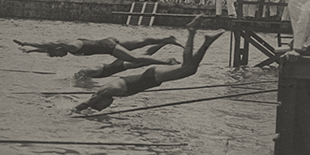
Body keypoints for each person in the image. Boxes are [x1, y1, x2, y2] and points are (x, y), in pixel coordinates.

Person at [74, 15, 225, 112]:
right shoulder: (106, 92)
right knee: (190, 69)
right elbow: (91, 104)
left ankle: (192, 31)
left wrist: (72, 113)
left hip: (151, 77)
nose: (105, 108)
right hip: (150, 77)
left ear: (99, 100)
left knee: (187, 68)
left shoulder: (104, 92)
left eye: (102, 108)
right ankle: (207, 41)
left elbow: (86, 103)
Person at [13, 35, 184, 66]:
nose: (59, 57)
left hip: (109, 48)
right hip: (108, 41)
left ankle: (168, 61)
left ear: (59, 49)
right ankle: (168, 39)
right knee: (141, 43)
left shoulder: (70, 45)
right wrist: (30, 52)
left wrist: (27, 43)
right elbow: (48, 50)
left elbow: (46, 44)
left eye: (57, 55)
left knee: (135, 59)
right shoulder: (64, 47)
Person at [76, 42, 179, 79]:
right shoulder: (88, 73)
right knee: (147, 55)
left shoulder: (89, 71)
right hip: (118, 64)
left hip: (121, 66)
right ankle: (164, 42)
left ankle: (168, 61)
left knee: (146, 60)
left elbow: (104, 68)